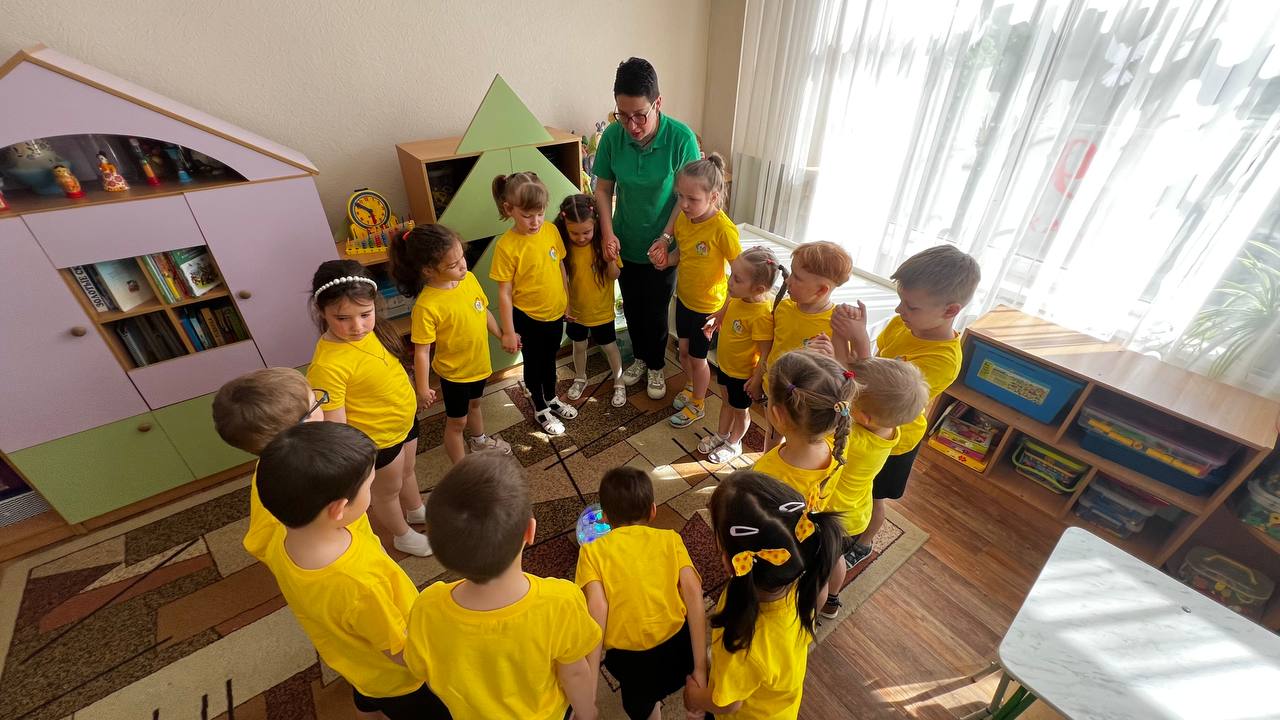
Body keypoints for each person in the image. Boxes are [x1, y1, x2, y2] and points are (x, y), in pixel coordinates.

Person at [255, 422, 451, 720]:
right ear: (338, 509)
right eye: (369, 487)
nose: (371, 492)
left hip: (355, 660)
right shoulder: (359, 583)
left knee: (367, 695)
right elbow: (402, 653)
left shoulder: (283, 534)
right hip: (400, 681)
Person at [405, 452, 601, 720]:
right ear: (530, 531)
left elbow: (420, 670)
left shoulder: (426, 607)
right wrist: (588, 713)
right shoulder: (561, 602)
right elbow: (575, 674)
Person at [831, 245, 979, 560]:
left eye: (910, 306)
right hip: (866, 416)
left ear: (950, 310)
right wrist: (851, 338)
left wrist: (858, 340)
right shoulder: (905, 324)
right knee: (850, 483)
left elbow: (881, 387)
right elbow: (871, 367)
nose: (900, 311)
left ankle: (865, 542)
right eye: (900, 300)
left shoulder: (943, 360)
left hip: (893, 440)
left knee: (873, 495)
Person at [683, 470, 842, 718]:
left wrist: (694, 697)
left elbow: (727, 704)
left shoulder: (742, 642)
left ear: (729, 562)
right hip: (780, 706)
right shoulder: (801, 581)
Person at [593, 57, 702, 401]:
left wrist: (666, 237)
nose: (632, 125)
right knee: (632, 305)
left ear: (658, 103)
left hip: (663, 243)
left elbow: (686, 197)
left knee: (656, 309)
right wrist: (607, 232)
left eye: (640, 115)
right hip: (626, 238)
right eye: (623, 115)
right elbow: (603, 189)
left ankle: (656, 364)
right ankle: (640, 357)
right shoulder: (613, 137)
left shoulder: (681, 139)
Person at [306, 260, 431, 556]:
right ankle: (402, 534)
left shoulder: (373, 332)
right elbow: (336, 427)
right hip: (378, 441)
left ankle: (415, 509)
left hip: (404, 422)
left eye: (365, 314)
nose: (357, 326)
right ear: (322, 311)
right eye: (343, 318)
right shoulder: (327, 365)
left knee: (408, 471)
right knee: (387, 492)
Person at [575, 467, 706, 719]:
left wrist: (589, 692)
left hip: (631, 661)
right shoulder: (670, 539)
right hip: (678, 647)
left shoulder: (591, 552)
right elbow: (693, 590)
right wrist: (700, 668)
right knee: (684, 684)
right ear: (653, 511)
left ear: (604, 518)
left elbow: (597, 609)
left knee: (642, 707)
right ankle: (696, 709)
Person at [817, 356, 928, 620]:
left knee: (821, 565)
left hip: (833, 514)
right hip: (856, 512)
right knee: (835, 559)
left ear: (864, 417)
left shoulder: (852, 440)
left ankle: (816, 603)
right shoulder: (890, 430)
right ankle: (832, 600)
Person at [389, 223, 510, 464]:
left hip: (479, 364)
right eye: (453, 265)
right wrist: (422, 388)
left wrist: (502, 334)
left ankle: (479, 441)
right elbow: (422, 352)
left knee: (475, 405)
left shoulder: (469, 279)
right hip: (455, 375)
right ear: (428, 270)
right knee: (457, 422)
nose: (463, 265)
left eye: (462, 257)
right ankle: (462, 469)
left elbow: (483, 311)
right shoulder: (427, 306)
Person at [650, 153, 741, 428]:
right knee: (683, 351)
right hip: (685, 300)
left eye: (692, 199)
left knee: (699, 359)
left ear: (713, 197)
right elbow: (682, 253)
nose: (684, 204)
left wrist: (723, 312)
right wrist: (667, 260)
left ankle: (698, 404)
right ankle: (691, 387)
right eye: (680, 196)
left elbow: (741, 276)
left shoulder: (723, 230)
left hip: (708, 308)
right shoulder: (683, 220)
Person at [490, 171, 578, 435]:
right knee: (534, 362)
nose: (536, 221)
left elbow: (560, 266)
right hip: (528, 317)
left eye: (540, 213)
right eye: (528, 215)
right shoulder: (506, 246)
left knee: (550, 358)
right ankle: (540, 407)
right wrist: (508, 331)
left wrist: (567, 301)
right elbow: (504, 293)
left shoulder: (550, 230)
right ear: (509, 209)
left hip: (555, 313)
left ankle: (551, 398)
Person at [212, 367, 330, 559]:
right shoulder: (306, 486)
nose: (322, 404)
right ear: (302, 426)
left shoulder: (275, 463)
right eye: (316, 403)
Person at [697, 247, 785, 464]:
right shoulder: (738, 296)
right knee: (726, 403)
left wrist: (756, 379)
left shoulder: (761, 316)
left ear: (758, 288)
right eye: (732, 275)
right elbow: (728, 306)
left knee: (740, 411)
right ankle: (722, 435)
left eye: (737, 279)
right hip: (725, 366)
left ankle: (734, 443)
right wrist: (718, 317)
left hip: (742, 375)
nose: (729, 282)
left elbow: (766, 353)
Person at [762, 241, 853, 449]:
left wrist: (830, 357)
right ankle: (768, 462)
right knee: (773, 431)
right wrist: (759, 375)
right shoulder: (783, 307)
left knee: (799, 444)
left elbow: (844, 373)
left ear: (821, 290)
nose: (788, 280)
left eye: (797, 277)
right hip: (774, 387)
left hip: (805, 404)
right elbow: (774, 345)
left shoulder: (836, 324)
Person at [556, 193, 627, 408]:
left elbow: (615, 275)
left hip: (601, 311)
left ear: (595, 224)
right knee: (578, 346)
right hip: (576, 311)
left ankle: (619, 381)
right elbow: (562, 279)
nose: (581, 238)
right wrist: (566, 306)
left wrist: (610, 259)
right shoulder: (564, 248)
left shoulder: (603, 244)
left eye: (586, 232)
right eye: (574, 233)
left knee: (610, 347)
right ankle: (580, 377)